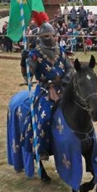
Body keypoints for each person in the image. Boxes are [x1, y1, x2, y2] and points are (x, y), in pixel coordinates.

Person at [23, 13, 73, 160]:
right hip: (45, 89)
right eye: (46, 36)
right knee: (44, 117)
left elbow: (70, 68)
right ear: (40, 37)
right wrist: (24, 62)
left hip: (63, 88)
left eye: (52, 35)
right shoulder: (35, 54)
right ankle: (43, 149)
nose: (50, 38)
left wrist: (65, 80)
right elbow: (27, 76)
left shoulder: (60, 51)